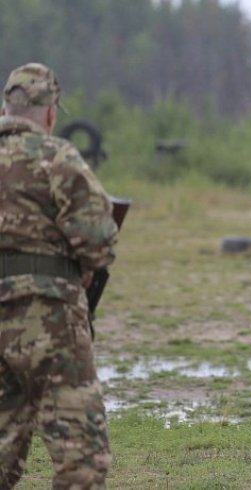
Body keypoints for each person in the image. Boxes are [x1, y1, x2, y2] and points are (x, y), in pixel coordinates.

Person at [0, 63, 116, 487]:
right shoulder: (56, 157)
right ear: (50, 113)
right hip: (48, 318)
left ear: (6, 105)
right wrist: (84, 270)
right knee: (79, 455)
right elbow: (99, 238)